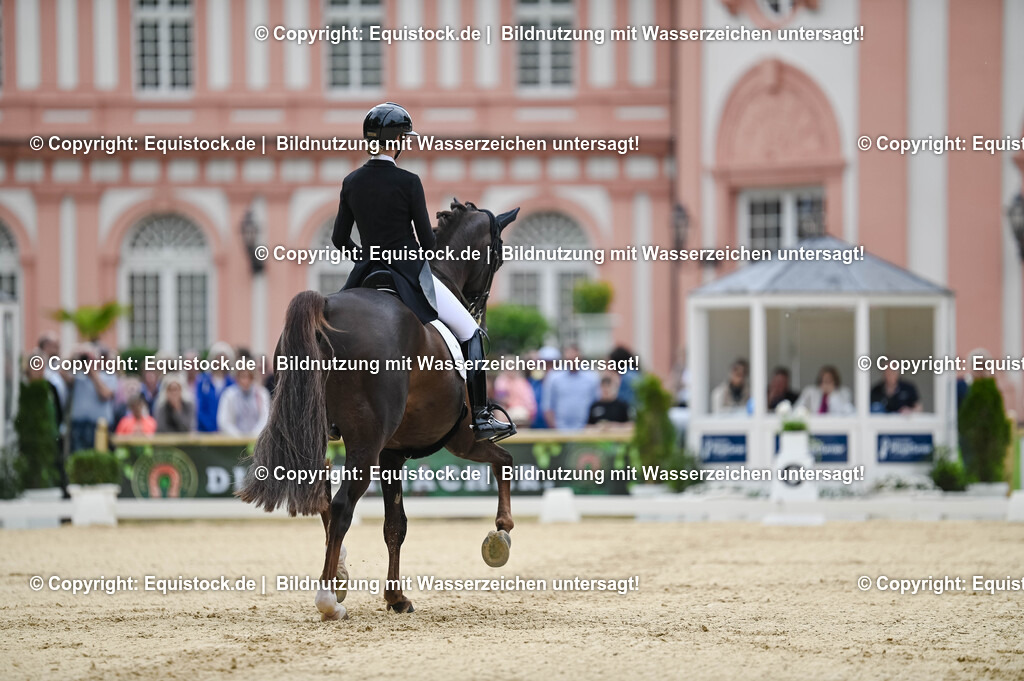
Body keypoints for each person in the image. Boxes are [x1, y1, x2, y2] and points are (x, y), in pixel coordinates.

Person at [331, 102, 512, 441]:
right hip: (408, 273)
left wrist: (366, 257)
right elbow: (428, 241)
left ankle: (331, 417)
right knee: (471, 331)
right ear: (396, 140)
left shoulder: (351, 181)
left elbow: (339, 237)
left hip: (364, 275)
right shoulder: (409, 181)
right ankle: (483, 416)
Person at [66, 344, 119, 452]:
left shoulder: (109, 376)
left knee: (99, 461)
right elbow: (62, 371)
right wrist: (75, 354)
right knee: (79, 461)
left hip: (100, 427)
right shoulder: (78, 376)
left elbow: (104, 395)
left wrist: (92, 373)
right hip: (79, 426)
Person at [541, 345, 600, 430]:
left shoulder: (592, 377)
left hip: (586, 430)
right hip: (560, 430)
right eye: (569, 358)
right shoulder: (554, 377)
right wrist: (554, 428)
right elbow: (547, 406)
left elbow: (597, 403)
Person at [217, 364, 271, 436]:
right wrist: (238, 436)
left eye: (249, 377)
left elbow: (265, 419)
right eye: (243, 377)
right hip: (234, 441)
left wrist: (253, 435)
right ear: (237, 378)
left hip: (257, 440)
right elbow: (223, 421)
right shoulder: (228, 395)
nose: (246, 381)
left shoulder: (262, 394)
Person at [195, 341, 235, 432]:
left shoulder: (232, 383)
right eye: (218, 358)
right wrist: (211, 428)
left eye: (224, 358)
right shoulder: (202, 381)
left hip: (227, 434)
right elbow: (199, 408)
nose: (221, 361)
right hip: (205, 432)